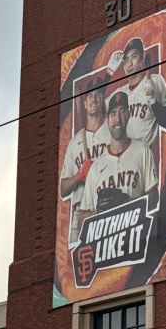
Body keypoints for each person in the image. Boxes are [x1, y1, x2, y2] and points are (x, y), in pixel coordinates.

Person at [78, 91, 158, 222]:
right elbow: (81, 219)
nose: (117, 119)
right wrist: (98, 213)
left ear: (128, 114)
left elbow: (154, 196)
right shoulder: (96, 166)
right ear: (107, 119)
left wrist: (127, 203)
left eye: (122, 112)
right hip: (105, 239)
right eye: (113, 114)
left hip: (135, 236)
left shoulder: (142, 150)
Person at [59, 78, 109, 243]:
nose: (94, 99)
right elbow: (63, 189)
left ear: (102, 100)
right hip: (80, 211)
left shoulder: (112, 130)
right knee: (77, 260)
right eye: (89, 96)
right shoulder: (75, 142)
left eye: (98, 95)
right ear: (85, 103)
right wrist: (79, 175)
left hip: (107, 204)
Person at [113, 37, 166, 146]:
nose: (129, 64)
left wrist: (153, 101)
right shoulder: (119, 93)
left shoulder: (155, 80)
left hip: (144, 159)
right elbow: (97, 108)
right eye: (126, 59)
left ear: (142, 58)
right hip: (122, 159)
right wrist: (109, 71)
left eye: (134, 57)